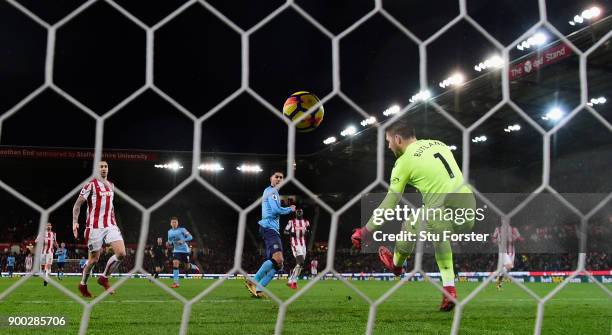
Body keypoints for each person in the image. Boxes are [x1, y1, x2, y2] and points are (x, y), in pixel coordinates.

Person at [351, 118, 476, 312]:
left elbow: (390, 203)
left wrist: (365, 231)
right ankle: (449, 288)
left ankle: (396, 265)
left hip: (440, 210)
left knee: (411, 224)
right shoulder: (439, 144)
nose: (389, 146)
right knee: (437, 230)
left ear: (398, 139)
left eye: (388, 141)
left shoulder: (403, 162)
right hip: (469, 206)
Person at [73, 161, 126, 297]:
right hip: (94, 227)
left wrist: (113, 219)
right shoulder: (90, 185)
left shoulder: (111, 186)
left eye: (105, 166)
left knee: (121, 254)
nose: (103, 169)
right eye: (101, 167)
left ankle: (104, 278)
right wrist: (75, 222)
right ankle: (83, 284)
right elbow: (77, 205)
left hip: (110, 224)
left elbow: (110, 206)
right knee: (94, 260)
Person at [245, 170, 295, 298]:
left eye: (281, 177)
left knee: (279, 264)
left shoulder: (274, 193)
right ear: (271, 178)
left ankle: (259, 290)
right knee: (278, 259)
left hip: (272, 230)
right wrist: (290, 209)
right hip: (269, 228)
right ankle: (253, 281)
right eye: (276, 176)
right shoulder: (271, 191)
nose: (279, 179)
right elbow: (276, 210)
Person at [167, 217, 200, 288]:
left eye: (175, 222)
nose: (174, 223)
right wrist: (168, 243)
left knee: (187, 266)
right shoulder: (169, 232)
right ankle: (176, 283)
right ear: (170, 223)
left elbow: (190, 237)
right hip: (176, 250)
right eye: (173, 222)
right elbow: (169, 241)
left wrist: (183, 240)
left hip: (185, 250)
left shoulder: (182, 229)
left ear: (177, 223)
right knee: (175, 263)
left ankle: (193, 266)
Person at [284, 208, 310, 289]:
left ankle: (290, 280)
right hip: (295, 244)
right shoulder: (291, 222)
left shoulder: (306, 222)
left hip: (303, 245)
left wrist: (308, 232)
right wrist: (291, 234)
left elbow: (308, 231)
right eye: (297, 212)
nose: (299, 213)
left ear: (302, 213)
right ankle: (294, 282)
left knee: (300, 264)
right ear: (295, 213)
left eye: (300, 212)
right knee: (301, 262)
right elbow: (285, 231)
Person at [492, 223, 523, 290]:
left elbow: (519, 238)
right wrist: (497, 241)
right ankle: (495, 274)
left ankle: (498, 282)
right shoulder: (498, 229)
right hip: (503, 251)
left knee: (508, 268)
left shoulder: (513, 229)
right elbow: (493, 239)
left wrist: (519, 238)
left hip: (511, 251)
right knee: (509, 266)